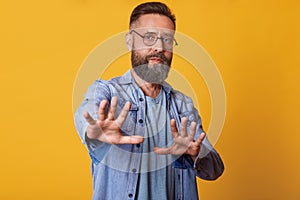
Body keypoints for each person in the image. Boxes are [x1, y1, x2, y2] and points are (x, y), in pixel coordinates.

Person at [74, 2, 224, 200]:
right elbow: (87, 113)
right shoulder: (108, 92)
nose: (159, 48)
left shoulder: (183, 106)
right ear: (130, 42)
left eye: (167, 40)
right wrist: (94, 131)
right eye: (149, 37)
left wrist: (195, 153)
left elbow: (215, 169)